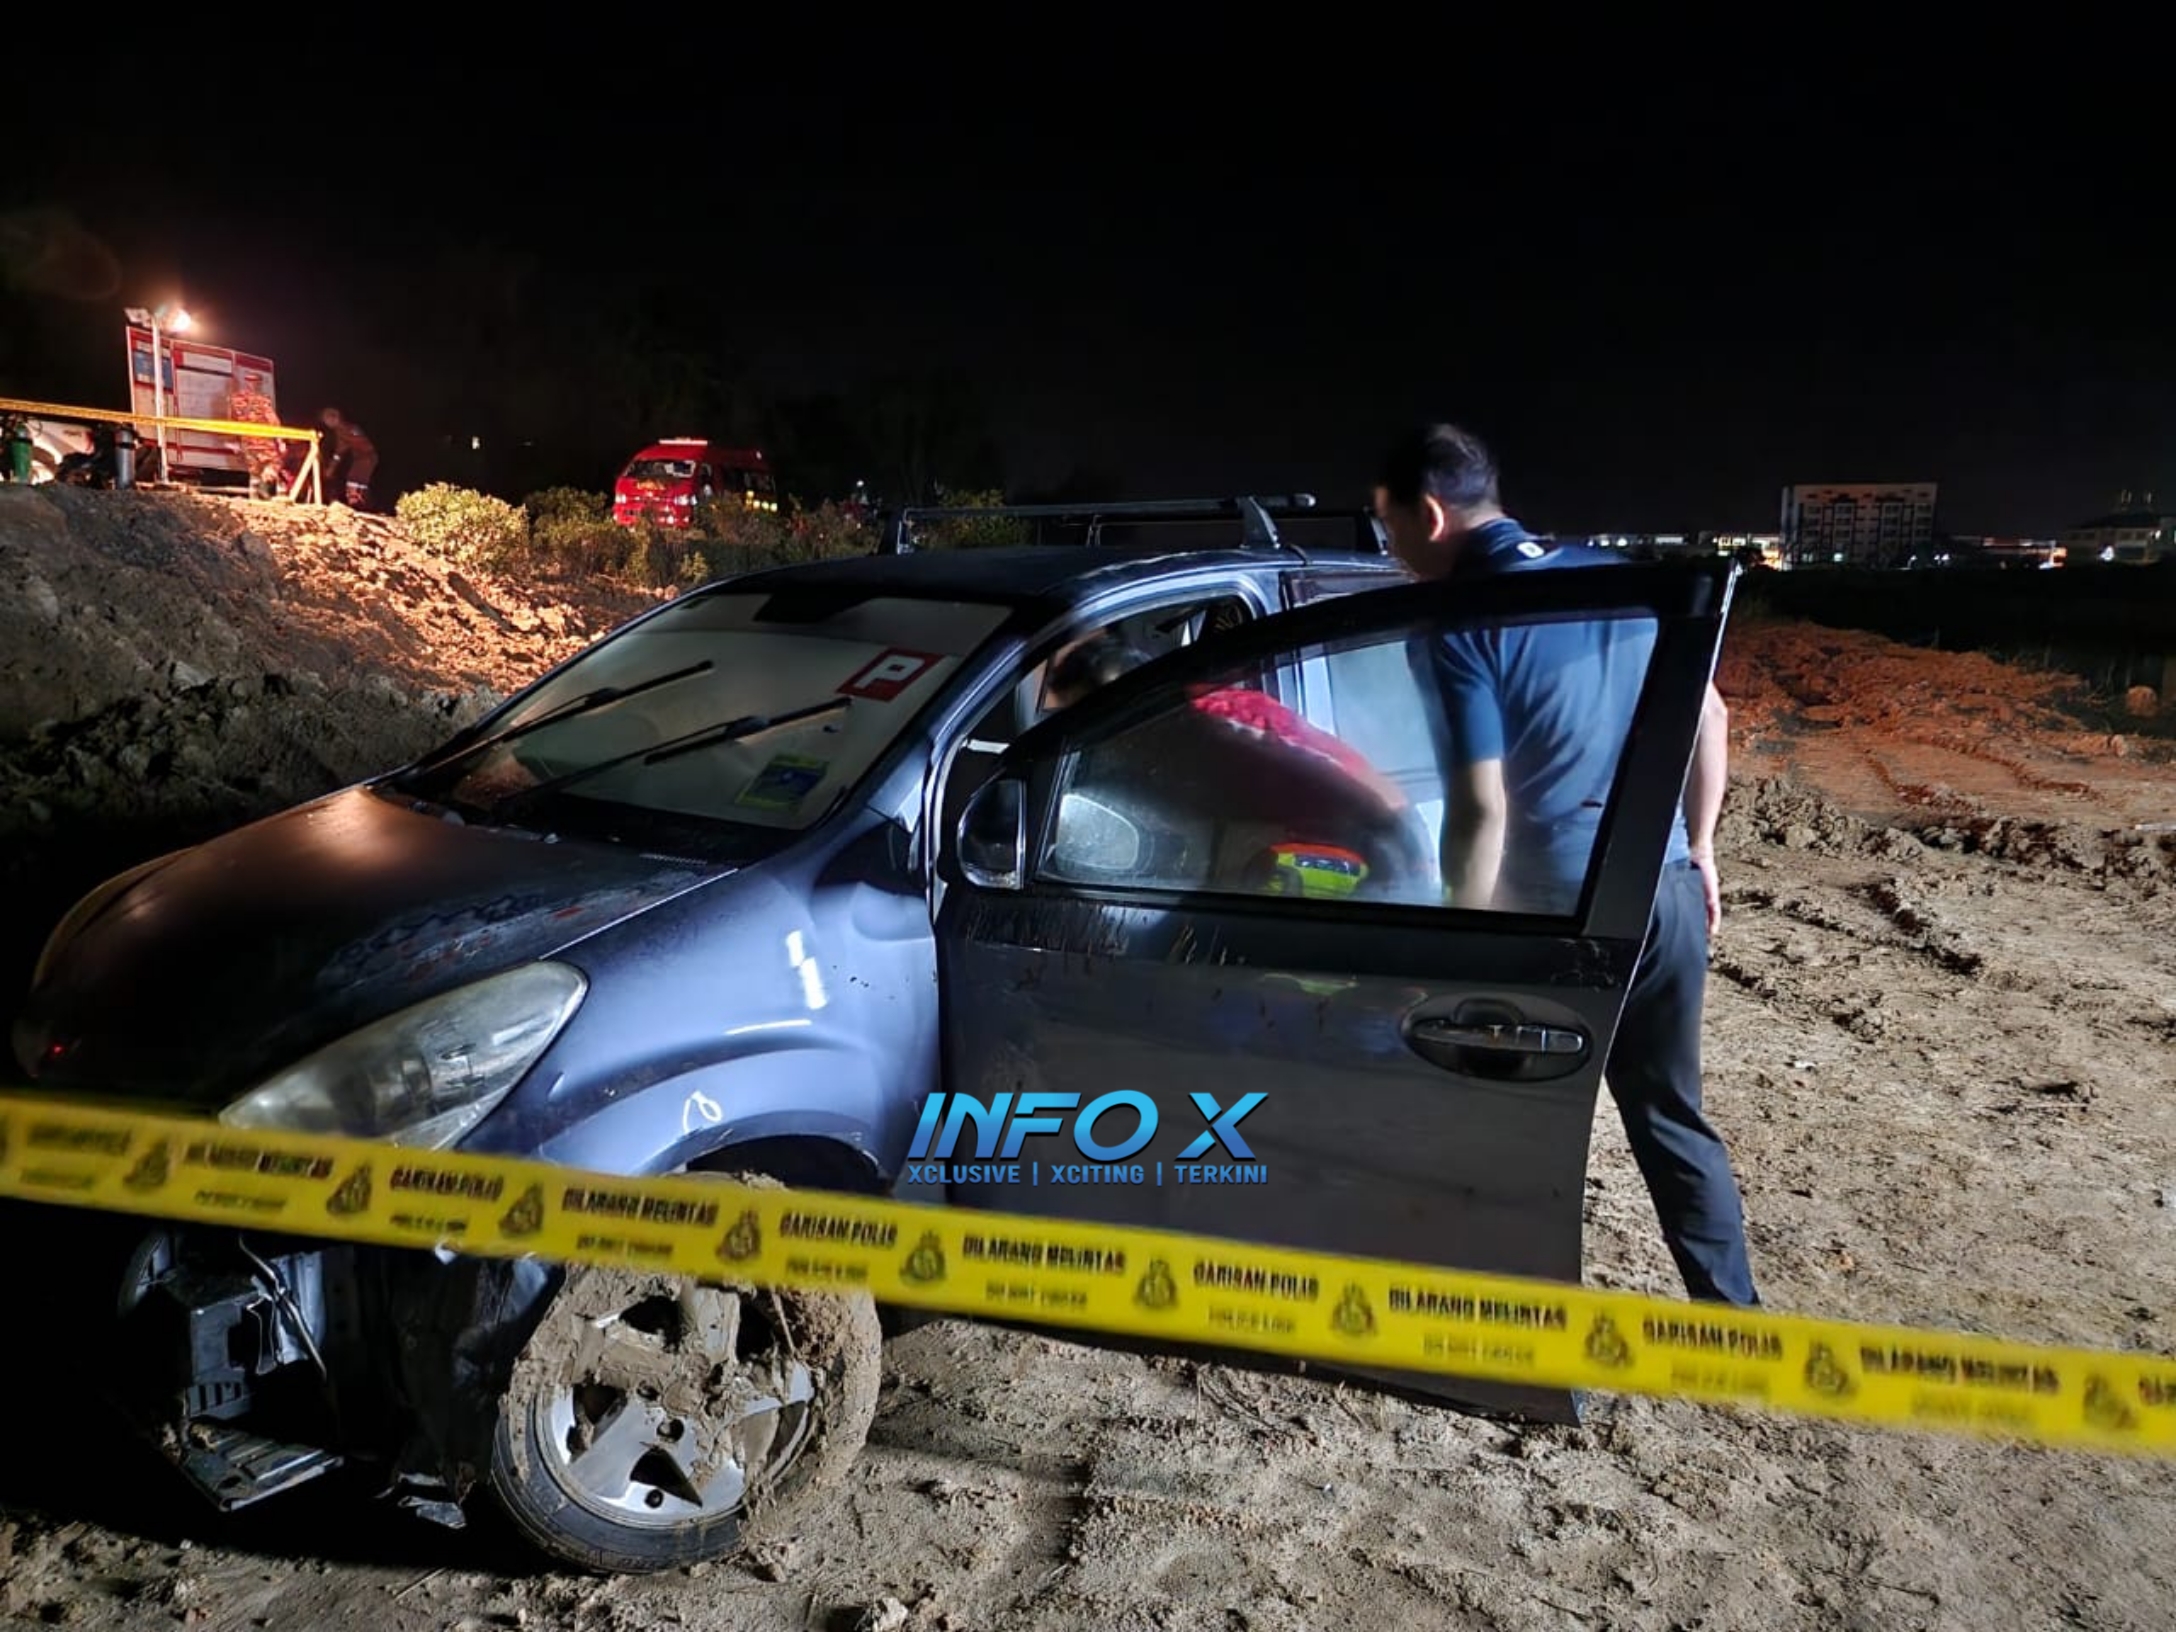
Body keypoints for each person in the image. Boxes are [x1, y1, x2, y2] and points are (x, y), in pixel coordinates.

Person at [1372, 422, 1758, 1307]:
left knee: (1507, 1118)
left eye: (1388, 527)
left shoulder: (1460, 622)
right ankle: (1735, 1320)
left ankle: (1502, 1316)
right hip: (1663, 889)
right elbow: (1710, 719)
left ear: (1430, 514)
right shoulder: (1619, 580)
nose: (1391, 550)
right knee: (1670, 1114)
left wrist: (1454, 939)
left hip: (1556, 913)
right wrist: (1700, 848)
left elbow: (1482, 810)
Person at [319, 407, 378, 508]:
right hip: (360, 458)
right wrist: (331, 468)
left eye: (328, 419)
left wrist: (331, 468)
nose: (327, 423)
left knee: (356, 481)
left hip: (368, 457)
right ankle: (358, 504)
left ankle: (365, 505)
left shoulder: (351, 428)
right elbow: (339, 452)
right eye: (325, 420)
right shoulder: (340, 432)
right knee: (353, 480)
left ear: (337, 418)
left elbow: (363, 441)